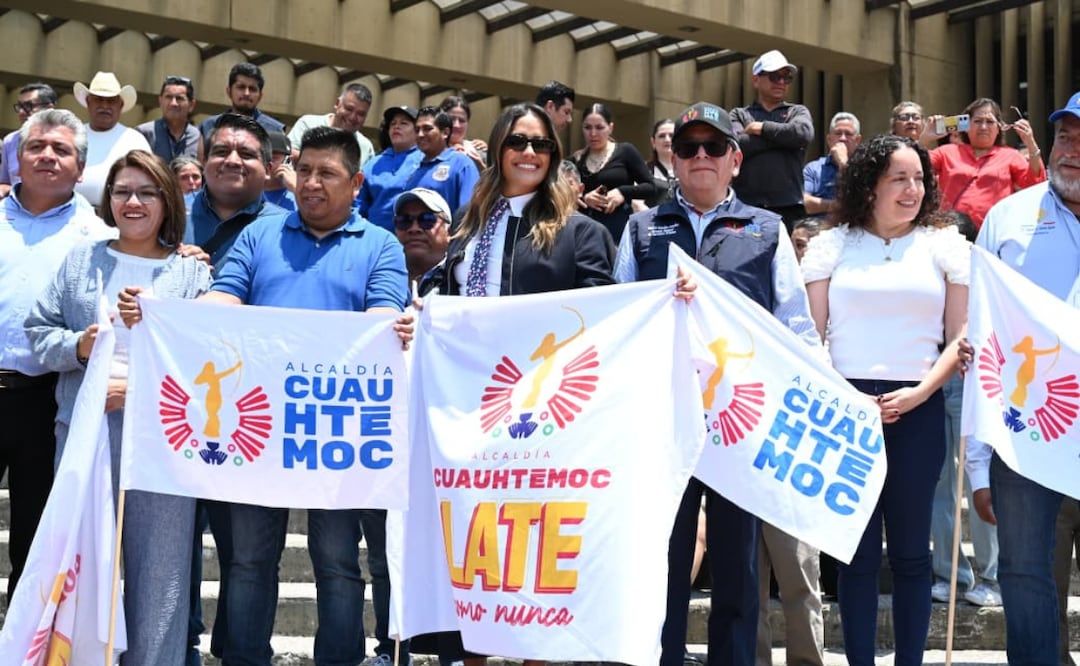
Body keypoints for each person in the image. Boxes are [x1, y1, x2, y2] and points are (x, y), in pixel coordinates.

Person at [118, 126, 411, 666]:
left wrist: (397, 326)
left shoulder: (381, 244)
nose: (312, 184)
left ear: (356, 183)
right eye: (305, 172)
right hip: (255, 432)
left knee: (338, 560)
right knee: (249, 560)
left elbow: (383, 320)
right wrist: (162, 310)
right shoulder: (261, 236)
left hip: (335, 434)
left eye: (327, 174)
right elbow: (221, 300)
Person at [615, 101, 820, 666]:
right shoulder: (640, 228)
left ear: (735, 159)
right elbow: (617, 321)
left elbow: (796, 325)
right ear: (672, 160)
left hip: (740, 427)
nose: (700, 157)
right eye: (687, 148)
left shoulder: (766, 228)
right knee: (662, 569)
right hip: (662, 428)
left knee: (738, 573)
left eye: (712, 147)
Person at [437, 101, 614, 666]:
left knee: (534, 550)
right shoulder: (469, 227)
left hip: (543, 418)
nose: (530, 153)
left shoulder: (580, 233)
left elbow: (604, 317)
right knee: (477, 544)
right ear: (498, 150)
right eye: (519, 142)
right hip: (471, 412)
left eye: (542, 145)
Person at [25, 149, 211, 664]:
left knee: (160, 574)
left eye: (147, 192)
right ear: (108, 200)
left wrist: (138, 390)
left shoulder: (192, 275)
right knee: (80, 565)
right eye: (123, 191)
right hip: (86, 432)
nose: (133, 201)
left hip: (164, 441)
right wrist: (80, 347)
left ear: (167, 200)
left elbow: (207, 360)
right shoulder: (83, 260)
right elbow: (39, 332)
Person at [801, 134, 970, 666]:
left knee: (913, 555)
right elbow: (811, 334)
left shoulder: (945, 245)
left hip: (918, 412)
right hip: (845, 412)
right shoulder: (833, 245)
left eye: (919, 178)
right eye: (899, 178)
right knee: (855, 556)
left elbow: (960, 339)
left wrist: (921, 391)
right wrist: (847, 397)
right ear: (869, 184)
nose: (912, 189)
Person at [963, 91, 1080, 666]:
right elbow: (982, 337)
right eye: (1065, 137)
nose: (1072, 151)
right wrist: (979, 460)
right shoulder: (1007, 219)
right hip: (1025, 438)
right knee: (1027, 578)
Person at [0, 108, 113, 601]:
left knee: (35, 535)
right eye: (36, 147)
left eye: (61, 149)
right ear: (17, 159)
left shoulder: (100, 238)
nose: (47, 156)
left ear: (80, 169)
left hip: (48, 401)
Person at [928, 211, 1000, 608]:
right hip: (934, 380)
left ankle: (991, 577)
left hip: (978, 382)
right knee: (940, 484)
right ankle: (949, 574)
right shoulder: (926, 272)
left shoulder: (989, 278)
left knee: (980, 483)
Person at [923, 97, 1045, 229]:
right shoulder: (946, 152)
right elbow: (916, 168)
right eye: (978, 121)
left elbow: (1035, 184)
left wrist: (1031, 143)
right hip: (951, 231)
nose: (983, 127)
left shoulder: (1011, 156)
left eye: (990, 122)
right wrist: (925, 138)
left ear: (999, 128)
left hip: (994, 232)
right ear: (966, 126)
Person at [185, 114, 287, 268]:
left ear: (267, 169)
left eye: (246, 154)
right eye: (221, 152)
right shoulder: (170, 214)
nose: (232, 161)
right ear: (204, 163)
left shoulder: (286, 229)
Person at [730, 50, 814, 232]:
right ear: (756, 80)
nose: (782, 82)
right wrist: (784, 141)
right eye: (775, 76)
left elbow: (803, 134)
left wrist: (761, 129)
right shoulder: (739, 114)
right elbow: (736, 146)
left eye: (787, 77)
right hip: (746, 208)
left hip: (790, 207)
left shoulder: (797, 111)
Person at [573, 103, 656, 243]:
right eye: (587, 127)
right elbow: (565, 198)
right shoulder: (576, 160)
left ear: (610, 128)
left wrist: (622, 192)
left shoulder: (625, 151)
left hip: (619, 234)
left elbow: (650, 187)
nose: (593, 133)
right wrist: (585, 198)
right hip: (585, 235)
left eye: (599, 127)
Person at [72, 71, 153, 209]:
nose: (104, 106)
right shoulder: (73, 135)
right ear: (88, 102)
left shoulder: (135, 140)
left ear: (120, 105)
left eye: (111, 101)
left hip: (117, 218)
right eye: (98, 99)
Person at [356, 106, 422, 233]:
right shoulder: (373, 164)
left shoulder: (427, 160)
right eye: (393, 123)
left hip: (412, 238)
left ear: (417, 131)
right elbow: (358, 204)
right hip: (373, 237)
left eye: (404, 123)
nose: (396, 127)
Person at [404, 106, 479, 215]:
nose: (420, 134)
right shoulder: (413, 169)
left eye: (427, 129)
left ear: (445, 133)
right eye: (417, 130)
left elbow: (468, 213)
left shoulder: (461, 164)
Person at [289, 82, 376, 168]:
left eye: (360, 114)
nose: (353, 117)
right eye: (349, 109)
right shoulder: (308, 124)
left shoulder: (366, 147)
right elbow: (287, 153)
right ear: (337, 103)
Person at [198, 63, 285, 139]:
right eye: (241, 87)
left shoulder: (275, 130)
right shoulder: (209, 126)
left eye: (252, 89)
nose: (246, 93)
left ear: (260, 96)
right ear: (229, 92)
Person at [0, 82, 57, 198]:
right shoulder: (10, 141)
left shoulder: (65, 141)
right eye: (19, 106)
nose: (21, 112)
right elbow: (4, 182)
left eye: (28, 106)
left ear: (49, 108)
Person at [803, 112, 862, 217]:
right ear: (829, 140)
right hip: (819, 229)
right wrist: (838, 206)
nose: (842, 138)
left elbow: (864, 201)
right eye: (838, 133)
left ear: (857, 140)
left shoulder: (866, 167)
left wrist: (843, 163)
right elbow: (804, 203)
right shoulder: (813, 169)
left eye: (848, 134)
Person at [393, 187, 450, 293]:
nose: (414, 229)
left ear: (449, 232)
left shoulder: (460, 278)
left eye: (427, 220)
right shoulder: (380, 278)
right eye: (404, 221)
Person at [137, 75, 204, 164]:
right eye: (168, 97)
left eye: (179, 98)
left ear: (191, 105)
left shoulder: (197, 137)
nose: (173, 103)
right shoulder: (143, 133)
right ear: (160, 101)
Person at [634, 118, 676, 211]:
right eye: (662, 136)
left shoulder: (689, 169)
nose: (667, 139)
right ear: (653, 142)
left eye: (671, 135)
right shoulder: (643, 170)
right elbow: (636, 203)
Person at [439, 95, 488, 169]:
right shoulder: (427, 152)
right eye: (451, 119)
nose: (456, 125)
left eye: (462, 121)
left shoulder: (479, 152)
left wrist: (481, 168)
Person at [263, 131, 297, 211]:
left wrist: (297, 189)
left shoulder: (298, 197)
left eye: (273, 158)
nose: (267, 162)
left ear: (288, 161)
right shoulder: (246, 192)